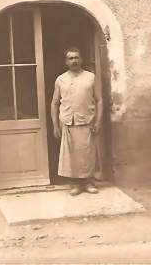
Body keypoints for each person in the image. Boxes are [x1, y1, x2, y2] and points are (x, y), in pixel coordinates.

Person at [51, 47, 103, 196]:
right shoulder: (61, 79)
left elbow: (99, 100)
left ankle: (89, 182)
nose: (74, 61)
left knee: (88, 154)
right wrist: (55, 125)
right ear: (66, 61)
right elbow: (54, 103)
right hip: (68, 121)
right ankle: (74, 184)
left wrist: (98, 121)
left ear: (81, 59)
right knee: (70, 155)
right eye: (71, 58)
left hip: (87, 121)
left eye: (76, 57)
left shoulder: (90, 77)